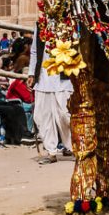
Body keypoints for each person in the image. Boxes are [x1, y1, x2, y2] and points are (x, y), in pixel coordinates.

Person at [30, 32, 73, 163]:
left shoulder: (68, 22)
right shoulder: (40, 26)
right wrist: (31, 73)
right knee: (42, 116)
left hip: (64, 78)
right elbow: (34, 51)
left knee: (65, 115)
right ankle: (51, 151)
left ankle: (71, 146)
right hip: (43, 78)